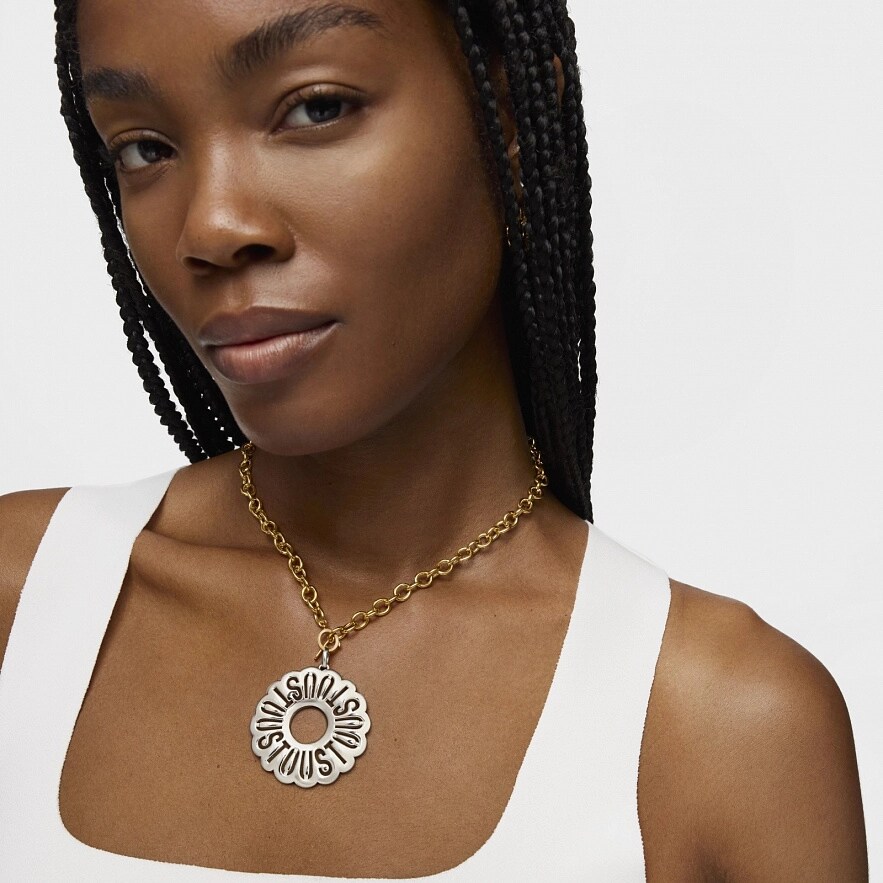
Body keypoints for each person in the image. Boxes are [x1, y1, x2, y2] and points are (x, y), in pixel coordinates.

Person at [0, 0, 868, 879]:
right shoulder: (22, 599)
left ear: (509, 116)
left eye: (316, 107)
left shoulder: (721, 729)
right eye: (143, 149)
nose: (213, 228)